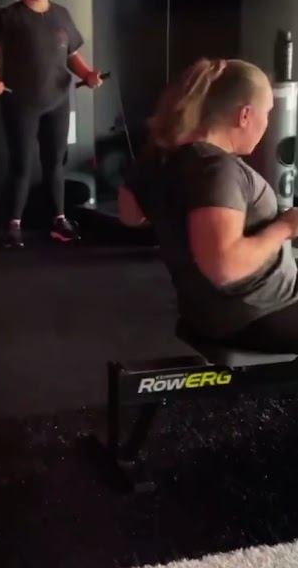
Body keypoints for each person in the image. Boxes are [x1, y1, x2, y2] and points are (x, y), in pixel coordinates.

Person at [118, 56, 298, 352]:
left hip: (212, 310)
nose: (267, 123)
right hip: (258, 313)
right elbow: (224, 267)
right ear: (245, 115)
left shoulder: (158, 160)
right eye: (267, 113)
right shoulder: (216, 169)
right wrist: (285, 227)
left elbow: (130, 216)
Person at [0, 0, 104, 248]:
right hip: (20, 103)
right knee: (21, 165)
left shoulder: (61, 15)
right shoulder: (8, 17)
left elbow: (72, 57)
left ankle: (59, 221)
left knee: (55, 163)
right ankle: (13, 226)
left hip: (58, 100)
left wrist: (88, 75)